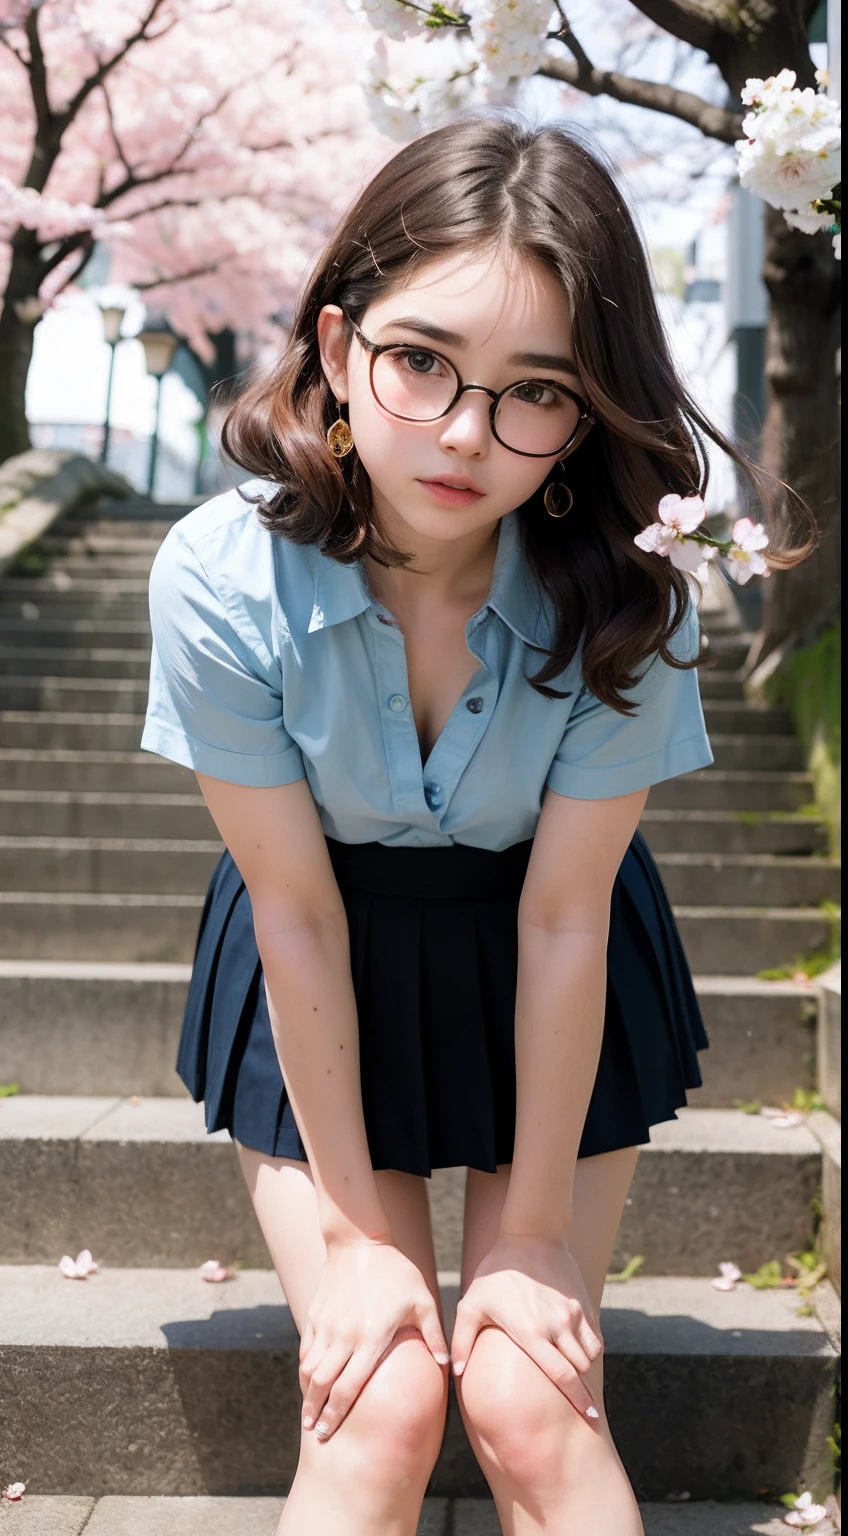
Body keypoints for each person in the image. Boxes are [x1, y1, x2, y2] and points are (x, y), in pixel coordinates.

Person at [141, 115, 809, 1536]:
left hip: (551, 952)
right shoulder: (219, 578)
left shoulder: (633, 599)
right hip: (322, 941)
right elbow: (295, 906)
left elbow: (566, 913)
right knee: (379, 1400)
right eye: (420, 361)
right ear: (336, 348)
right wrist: (352, 1237)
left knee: (523, 1392)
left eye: (534, 392)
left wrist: (536, 1242)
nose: (462, 434)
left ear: (585, 411)